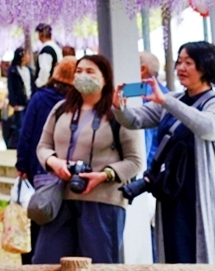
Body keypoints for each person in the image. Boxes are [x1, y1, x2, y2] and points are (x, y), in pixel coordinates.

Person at [31, 54, 145, 264]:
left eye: (90, 71)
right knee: (47, 262)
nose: (83, 76)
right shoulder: (60, 110)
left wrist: (104, 175)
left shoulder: (118, 113)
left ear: (105, 79)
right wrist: (54, 162)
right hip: (60, 198)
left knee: (100, 264)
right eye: (79, 71)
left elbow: (135, 160)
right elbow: (43, 146)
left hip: (102, 202)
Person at [114, 41, 215, 263]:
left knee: (197, 249)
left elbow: (208, 128)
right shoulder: (174, 100)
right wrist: (119, 107)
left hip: (198, 190)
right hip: (171, 189)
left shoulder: (210, 102)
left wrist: (166, 101)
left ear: (205, 66)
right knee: (172, 248)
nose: (181, 68)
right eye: (179, 62)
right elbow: (135, 120)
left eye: (189, 62)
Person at [15, 57, 76, 264]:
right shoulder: (77, 102)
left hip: (40, 169)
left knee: (40, 215)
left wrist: (22, 165)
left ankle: (34, 262)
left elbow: (27, 132)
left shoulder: (40, 98)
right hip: (69, 171)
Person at [137, 50, 170, 163]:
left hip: (149, 162)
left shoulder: (140, 93)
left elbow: (145, 134)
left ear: (142, 69)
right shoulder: (166, 92)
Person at [6, 47, 34, 148]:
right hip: (19, 101)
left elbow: (32, 85)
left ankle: (28, 145)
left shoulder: (29, 70)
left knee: (29, 125)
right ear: (21, 56)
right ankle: (20, 146)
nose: (28, 57)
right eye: (27, 54)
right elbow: (11, 87)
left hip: (30, 100)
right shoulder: (13, 70)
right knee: (20, 126)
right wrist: (13, 103)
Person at [35, 24, 60, 88]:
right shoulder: (56, 47)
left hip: (48, 86)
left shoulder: (47, 49)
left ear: (41, 34)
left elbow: (45, 69)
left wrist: (39, 83)